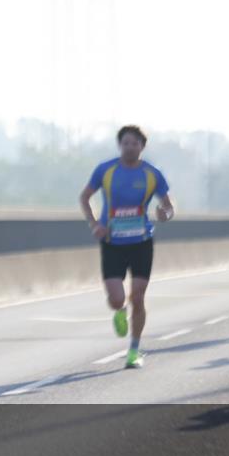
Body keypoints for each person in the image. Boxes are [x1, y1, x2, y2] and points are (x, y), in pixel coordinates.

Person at [79, 125, 174, 369]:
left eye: (135, 143)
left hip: (141, 242)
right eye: (126, 143)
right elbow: (84, 197)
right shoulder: (106, 170)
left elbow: (168, 206)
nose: (130, 147)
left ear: (142, 146)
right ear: (120, 145)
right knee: (116, 298)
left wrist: (165, 214)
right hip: (112, 242)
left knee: (138, 296)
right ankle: (119, 311)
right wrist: (94, 225)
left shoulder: (152, 174)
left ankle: (134, 349)